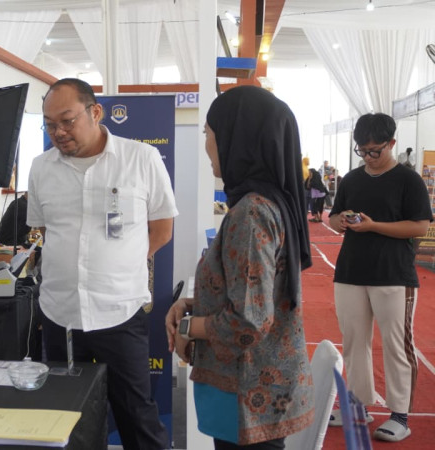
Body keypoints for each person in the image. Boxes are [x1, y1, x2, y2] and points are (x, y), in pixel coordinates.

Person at [27, 78, 178, 449]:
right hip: (61, 314)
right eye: (49, 124)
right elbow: (45, 230)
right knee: (70, 418)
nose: (58, 132)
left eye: (66, 120)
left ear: (95, 112)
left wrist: (117, 264)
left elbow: (161, 229)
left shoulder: (140, 159)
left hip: (119, 312)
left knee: (137, 415)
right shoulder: (41, 168)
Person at [166, 86, 314, 449]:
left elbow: (249, 320)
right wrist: (193, 305)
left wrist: (188, 327)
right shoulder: (267, 204)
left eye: (208, 134)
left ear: (237, 137)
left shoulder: (251, 213)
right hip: (256, 388)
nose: (206, 147)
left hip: (247, 392)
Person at [328, 113, 432, 442]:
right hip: (350, 272)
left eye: (376, 150)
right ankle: (357, 404)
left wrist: (374, 226)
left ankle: (400, 414)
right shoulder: (352, 180)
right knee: (354, 342)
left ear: (392, 144)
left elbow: (420, 226)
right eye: (363, 151)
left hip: (393, 274)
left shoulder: (408, 180)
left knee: (396, 345)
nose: (370, 157)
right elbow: (332, 218)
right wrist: (341, 220)